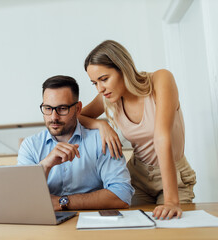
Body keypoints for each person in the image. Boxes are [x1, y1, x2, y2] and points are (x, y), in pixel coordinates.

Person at [79, 40, 196, 220]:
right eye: (94, 83)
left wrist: (171, 201)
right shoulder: (108, 97)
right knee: (132, 228)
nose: (100, 88)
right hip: (137, 177)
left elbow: (161, 137)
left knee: (172, 228)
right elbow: (76, 118)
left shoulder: (160, 80)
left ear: (123, 68)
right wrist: (101, 124)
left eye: (104, 79)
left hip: (173, 178)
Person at [17, 75, 134, 211]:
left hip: (92, 223)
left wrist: (62, 202)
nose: (54, 117)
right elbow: (21, 198)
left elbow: (122, 195)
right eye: (48, 108)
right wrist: (45, 165)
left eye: (62, 108)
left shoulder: (101, 140)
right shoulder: (30, 145)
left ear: (78, 109)